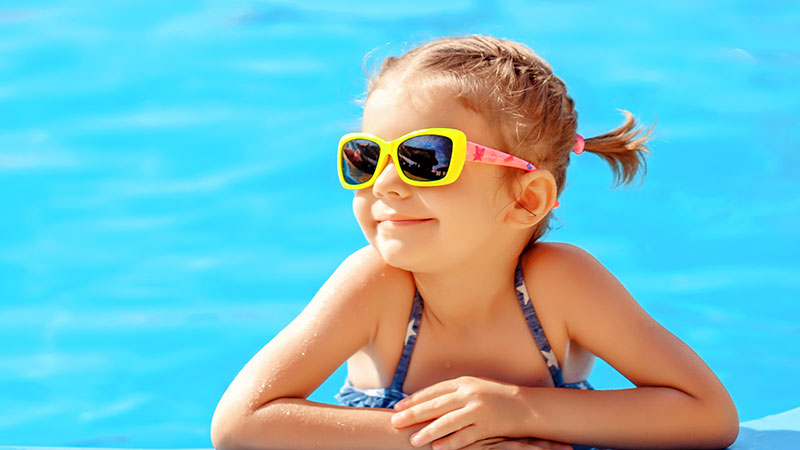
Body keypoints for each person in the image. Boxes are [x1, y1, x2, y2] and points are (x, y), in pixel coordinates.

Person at [210, 35, 739, 450]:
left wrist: (519, 410)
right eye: (368, 157)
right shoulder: (377, 284)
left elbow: (707, 413)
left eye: (424, 159)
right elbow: (242, 423)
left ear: (527, 199)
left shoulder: (562, 284)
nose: (385, 183)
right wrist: (452, 440)